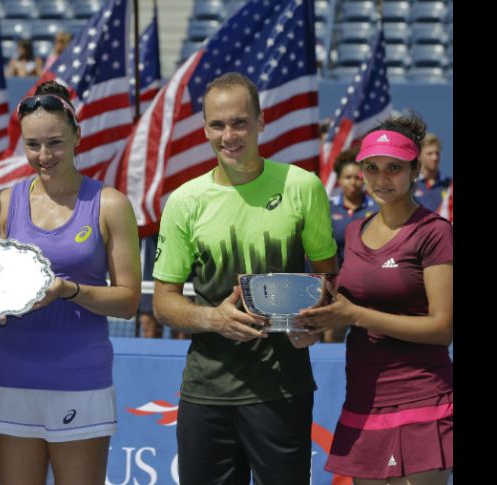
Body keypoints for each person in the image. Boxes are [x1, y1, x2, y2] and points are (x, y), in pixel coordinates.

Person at [152, 72, 338, 485]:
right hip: (206, 390)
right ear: (204, 128)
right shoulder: (184, 201)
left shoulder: (302, 186)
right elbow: (163, 301)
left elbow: (328, 279)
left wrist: (315, 323)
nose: (228, 135)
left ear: (261, 122)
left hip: (282, 389)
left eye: (239, 122)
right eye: (217, 124)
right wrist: (212, 319)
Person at [0, 80, 141, 485]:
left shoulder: (110, 203)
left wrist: (68, 290)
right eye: (32, 145)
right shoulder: (1, 203)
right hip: (12, 374)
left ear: (76, 137)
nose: (43, 155)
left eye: (54, 142)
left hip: (80, 377)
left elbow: (127, 302)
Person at [298, 112, 453, 484]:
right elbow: (344, 307)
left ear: (414, 171)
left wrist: (355, 315)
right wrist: (311, 328)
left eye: (394, 168)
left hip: (422, 398)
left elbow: (442, 328)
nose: (381, 179)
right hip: (364, 401)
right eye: (372, 168)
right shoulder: (353, 232)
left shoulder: (435, 233)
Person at [325, 147, 376, 344]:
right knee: (332, 336)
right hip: (335, 286)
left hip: (369, 286)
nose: (353, 182)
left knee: (369, 338)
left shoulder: (377, 207)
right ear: (339, 179)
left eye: (357, 177)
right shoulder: (327, 206)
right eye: (348, 177)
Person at [413, 133, 453, 222]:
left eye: (437, 153)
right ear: (419, 156)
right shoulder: (410, 183)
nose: (435, 157)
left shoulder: (450, 185)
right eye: (429, 154)